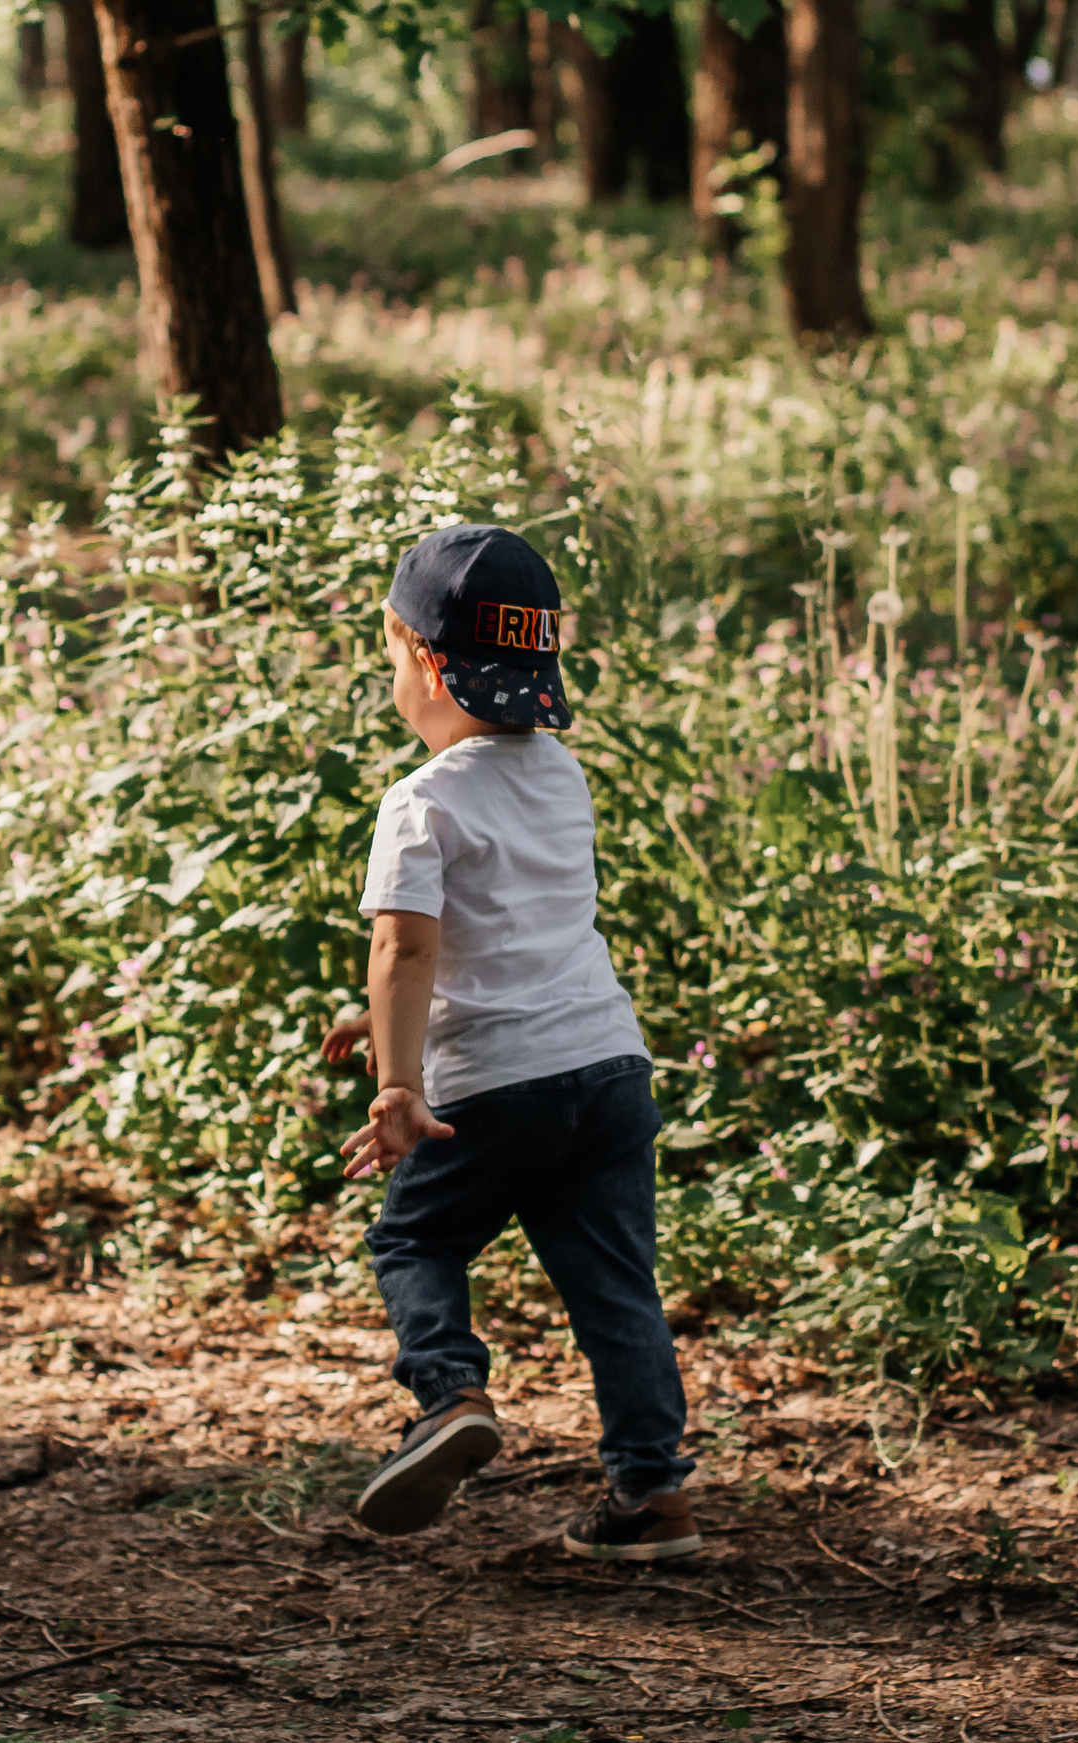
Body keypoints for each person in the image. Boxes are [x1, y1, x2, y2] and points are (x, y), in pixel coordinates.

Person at [319, 523, 699, 1562]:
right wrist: (388, 1012)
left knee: (416, 1240)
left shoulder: (421, 802)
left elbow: (406, 945)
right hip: (607, 1067)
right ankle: (651, 1493)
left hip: (496, 1085)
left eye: (391, 657)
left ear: (425, 661)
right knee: (615, 1282)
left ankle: (448, 1396)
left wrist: (400, 1081)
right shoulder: (560, 774)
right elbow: (504, 933)